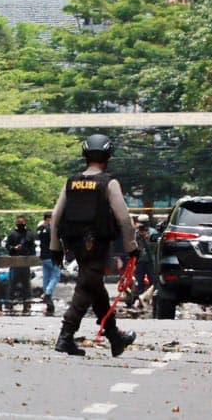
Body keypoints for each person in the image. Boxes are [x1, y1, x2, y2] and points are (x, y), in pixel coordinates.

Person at [49, 134, 138, 357]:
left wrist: (54, 247)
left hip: (75, 243)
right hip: (96, 243)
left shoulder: (71, 181)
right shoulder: (109, 183)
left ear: (84, 155)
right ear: (108, 156)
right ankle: (65, 336)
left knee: (94, 286)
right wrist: (132, 246)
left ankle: (115, 337)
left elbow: (56, 215)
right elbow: (124, 218)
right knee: (87, 285)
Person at [4, 215, 36, 312]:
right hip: (14, 262)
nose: (21, 225)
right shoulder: (12, 234)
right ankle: (9, 302)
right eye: (19, 223)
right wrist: (14, 248)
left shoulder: (29, 234)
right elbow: (7, 246)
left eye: (22, 223)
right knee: (12, 283)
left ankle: (27, 303)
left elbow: (33, 248)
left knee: (26, 284)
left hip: (25, 263)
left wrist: (29, 254)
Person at [37, 211, 58, 316]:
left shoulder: (40, 229)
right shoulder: (52, 229)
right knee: (56, 276)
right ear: (49, 218)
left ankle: (48, 299)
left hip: (43, 256)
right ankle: (47, 293)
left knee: (46, 277)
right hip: (52, 256)